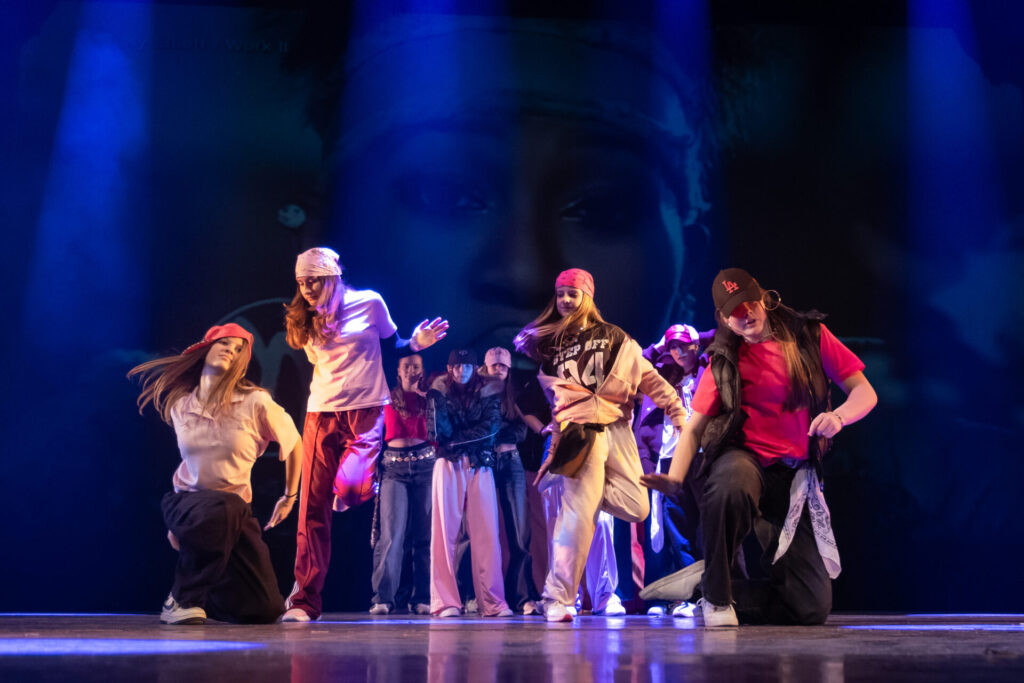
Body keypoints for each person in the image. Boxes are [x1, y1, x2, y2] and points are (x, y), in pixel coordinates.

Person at [642, 268, 878, 627]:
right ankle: (717, 598)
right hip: (745, 459)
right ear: (724, 319)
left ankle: (706, 584)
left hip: (793, 476)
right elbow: (694, 428)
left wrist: (839, 417)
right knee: (730, 485)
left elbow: (865, 391)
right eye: (735, 311)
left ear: (765, 299)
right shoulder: (724, 358)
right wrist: (675, 479)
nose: (746, 313)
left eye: (750, 303)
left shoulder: (809, 336)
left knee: (809, 608)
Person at [282, 247, 448, 622]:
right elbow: (317, 362)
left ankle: (346, 491)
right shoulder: (305, 317)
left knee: (353, 488)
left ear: (334, 277)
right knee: (312, 510)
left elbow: (393, 344)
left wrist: (416, 344)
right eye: (302, 282)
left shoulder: (370, 303)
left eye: (314, 280)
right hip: (321, 413)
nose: (307, 288)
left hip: (368, 410)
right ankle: (304, 601)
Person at [514, 268, 689, 622]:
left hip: (617, 428)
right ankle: (558, 598)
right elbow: (559, 409)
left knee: (638, 507)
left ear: (587, 297)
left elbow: (651, 380)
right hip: (580, 434)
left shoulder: (615, 338)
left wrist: (680, 417)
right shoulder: (555, 350)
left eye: (572, 293)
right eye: (560, 294)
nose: (565, 300)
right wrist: (553, 452)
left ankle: (586, 496)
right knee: (577, 518)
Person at [128, 323, 301, 625]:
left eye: (238, 350)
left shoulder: (255, 402)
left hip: (234, 510)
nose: (230, 351)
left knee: (266, 609)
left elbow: (295, 441)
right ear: (207, 348)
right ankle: (182, 599)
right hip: (187, 502)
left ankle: (206, 600)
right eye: (225, 343)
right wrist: (182, 527)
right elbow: (192, 465)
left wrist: (290, 496)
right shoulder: (181, 405)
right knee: (225, 504)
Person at [428, 349, 512, 618]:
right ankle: (445, 602)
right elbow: (437, 432)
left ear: (475, 369)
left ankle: (493, 602)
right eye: (456, 366)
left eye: (466, 366)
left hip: (479, 463)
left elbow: (490, 431)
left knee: (487, 533)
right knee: (444, 534)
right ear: (449, 369)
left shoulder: (489, 391)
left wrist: (456, 440)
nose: (461, 371)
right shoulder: (439, 391)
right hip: (448, 463)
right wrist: (435, 401)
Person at [633, 324, 705, 617]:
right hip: (666, 460)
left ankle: (704, 595)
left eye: (684, 345)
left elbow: (718, 338)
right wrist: (662, 345)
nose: (678, 352)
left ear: (696, 345)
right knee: (667, 530)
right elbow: (638, 359)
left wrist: (695, 340)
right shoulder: (663, 375)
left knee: (704, 529)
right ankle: (675, 598)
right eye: (673, 347)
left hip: (701, 458)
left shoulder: (707, 371)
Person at [369, 354, 435, 615]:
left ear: (422, 370)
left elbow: (441, 428)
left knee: (424, 536)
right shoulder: (386, 396)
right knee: (391, 535)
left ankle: (423, 597)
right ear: (398, 371)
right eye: (406, 366)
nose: (411, 371)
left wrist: (431, 398)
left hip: (426, 466)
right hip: (394, 468)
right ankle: (383, 598)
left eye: (416, 366)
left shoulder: (430, 397)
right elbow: (373, 433)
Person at [480, 347, 542, 615]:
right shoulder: (476, 393)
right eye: (494, 366)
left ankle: (522, 596)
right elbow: (474, 429)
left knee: (519, 533)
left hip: (511, 462)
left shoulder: (515, 394)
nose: (499, 370)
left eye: (503, 367)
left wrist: (493, 433)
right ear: (485, 367)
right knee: (478, 532)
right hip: (484, 463)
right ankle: (475, 595)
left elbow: (520, 431)